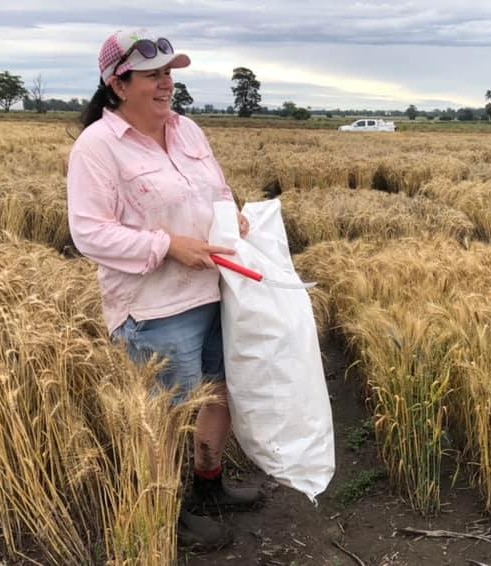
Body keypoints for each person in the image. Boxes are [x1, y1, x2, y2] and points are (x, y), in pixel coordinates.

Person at [67, 28, 261, 551]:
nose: (165, 83)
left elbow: (218, 190)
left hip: (214, 290)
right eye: (152, 75)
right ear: (117, 83)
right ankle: (163, 512)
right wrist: (167, 245)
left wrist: (232, 217)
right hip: (155, 307)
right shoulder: (98, 147)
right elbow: (89, 233)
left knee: (220, 392)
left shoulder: (188, 131)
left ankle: (208, 484)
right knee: (164, 419)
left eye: (168, 73)